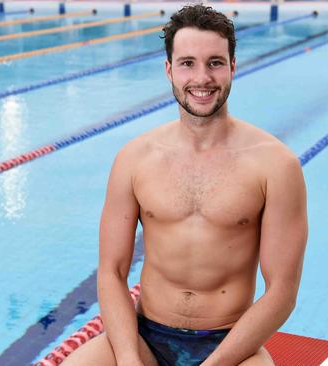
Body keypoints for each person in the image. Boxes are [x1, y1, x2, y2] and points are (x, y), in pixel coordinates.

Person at [62, 4, 308, 366]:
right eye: (187, 63)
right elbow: (112, 272)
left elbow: (282, 292)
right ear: (169, 70)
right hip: (144, 336)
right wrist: (128, 358)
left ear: (232, 67)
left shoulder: (276, 165)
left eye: (215, 62)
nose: (202, 78)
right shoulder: (135, 159)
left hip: (230, 345)